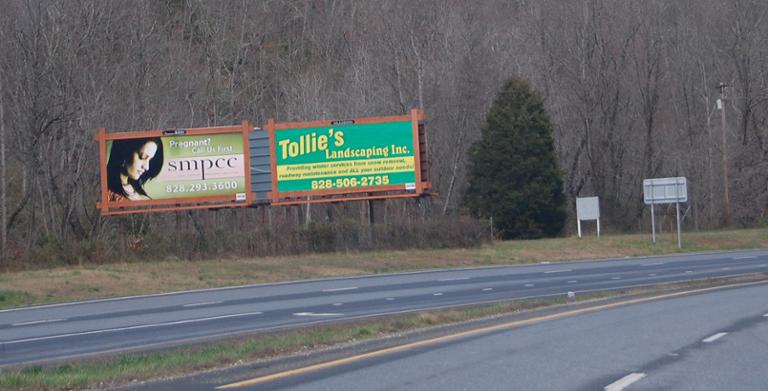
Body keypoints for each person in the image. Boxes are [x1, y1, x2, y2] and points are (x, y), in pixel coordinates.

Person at [106, 137, 164, 201]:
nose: (146, 167)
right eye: (143, 157)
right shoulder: (107, 194)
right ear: (124, 152)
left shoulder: (135, 190)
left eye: (150, 160)